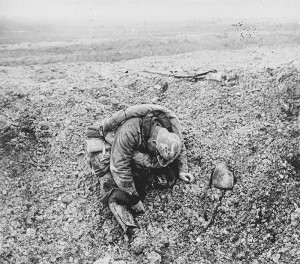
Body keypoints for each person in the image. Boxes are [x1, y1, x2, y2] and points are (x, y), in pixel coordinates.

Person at [86, 104, 194, 251]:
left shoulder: (169, 125)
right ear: (153, 144)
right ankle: (133, 232)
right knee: (113, 193)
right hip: (113, 154)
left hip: (138, 154)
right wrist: (134, 199)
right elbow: (119, 168)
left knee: (168, 176)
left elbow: (179, 146)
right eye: (158, 156)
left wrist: (182, 169)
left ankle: (144, 181)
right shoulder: (128, 133)